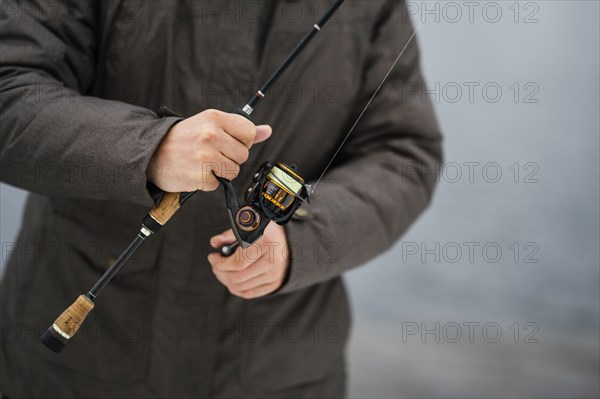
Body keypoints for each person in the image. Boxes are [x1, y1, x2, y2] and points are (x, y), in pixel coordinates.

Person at [0, 0, 442, 397]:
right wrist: (150, 148)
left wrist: (301, 238)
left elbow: (404, 154)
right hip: (75, 370)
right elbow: (11, 92)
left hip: (283, 375)